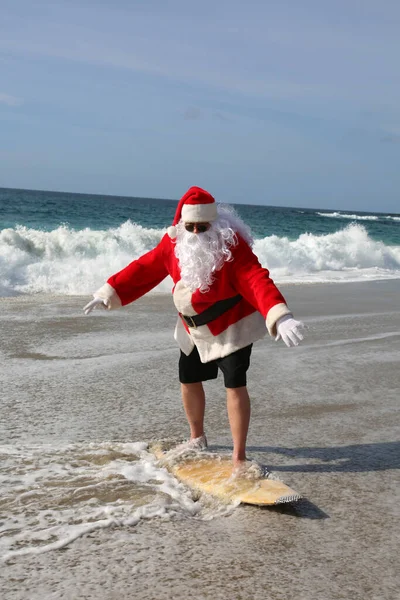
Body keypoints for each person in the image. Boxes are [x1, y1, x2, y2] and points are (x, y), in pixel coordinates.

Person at [84, 186, 304, 471]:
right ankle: (197, 437)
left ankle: (239, 457)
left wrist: (279, 314)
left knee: (234, 385)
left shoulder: (232, 245)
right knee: (188, 379)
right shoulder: (173, 243)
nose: (198, 233)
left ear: (215, 224)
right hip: (193, 329)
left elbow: (255, 279)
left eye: (204, 226)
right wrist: (109, 291)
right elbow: (144, 268)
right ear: (182, 225)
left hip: (232, 326)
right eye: (192, 227)